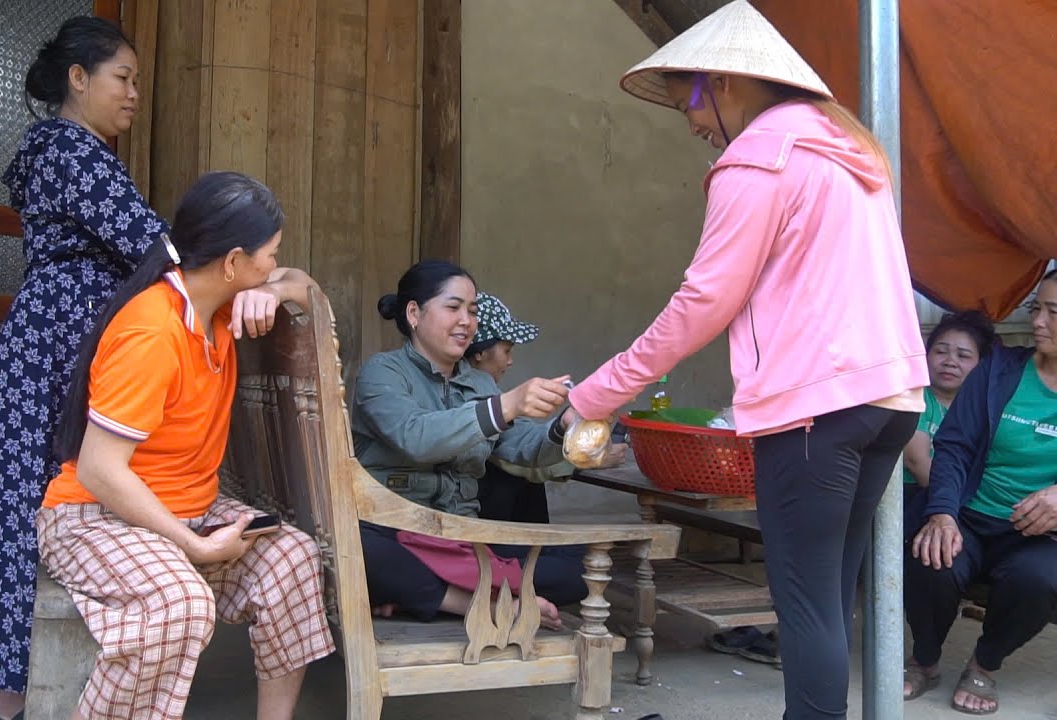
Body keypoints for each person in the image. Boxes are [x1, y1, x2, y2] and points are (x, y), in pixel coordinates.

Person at [563, 3, 928, 717]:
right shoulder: (848, 151)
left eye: (688, 107)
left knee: (806, 608)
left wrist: (597, 395)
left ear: (723, 83)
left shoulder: (758, 158)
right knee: (827, 599)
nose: (694, 127)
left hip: (813, 411)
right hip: (888, 403)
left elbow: (703, 302)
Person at [0, 17, 169, 720]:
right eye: (123, 78)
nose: (132, 95)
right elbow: (153, 249)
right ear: (78, 78)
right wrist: (245, 275)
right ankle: (5, 684)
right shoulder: (73, 152)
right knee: (26, 509)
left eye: (136, 82)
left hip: (48, 338)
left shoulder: (56, 148)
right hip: (56, 344)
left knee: (13, 506)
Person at [35, 171, 334, 720]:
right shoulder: (152, 331)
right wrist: (191, 546)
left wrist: (274, 289)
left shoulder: (216, 306)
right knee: (180, 604)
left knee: (291, 558)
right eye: (268, 256)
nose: (273, 265)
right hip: (93, 517)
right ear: (232, 262)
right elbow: (101, 471)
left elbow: (306, 285)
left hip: (183, 510)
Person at [351, 261, 586, 629]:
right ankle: (473, 601)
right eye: (453, 307)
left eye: (472, 311)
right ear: (414, 313)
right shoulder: (382, 373)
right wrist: (506, 405)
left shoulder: (480, 385)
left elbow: (519, 445)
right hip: (397, 534)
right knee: (359, 550)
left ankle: (416, 595)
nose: (466, 321)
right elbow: (416, 437)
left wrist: (563, 429)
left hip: (464, 540)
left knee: (581, 567)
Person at [903, 269, 1057, 714]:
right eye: (1036, 309)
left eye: (1053, 312)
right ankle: (925, 660)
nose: (1038, 322)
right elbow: (952, 448)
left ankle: (984, 665)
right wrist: (944, 514)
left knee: (1038, 580)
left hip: (1040, 536)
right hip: (972, 515)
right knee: (930, 556)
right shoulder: (997, 372)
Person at [466, 291, 627, 523]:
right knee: (516, 477)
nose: (510, 361)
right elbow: (515, 455)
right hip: (470, 525)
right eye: (507, 350)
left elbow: (519, 439)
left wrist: (567, 431)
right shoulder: (470, 397)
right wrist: (587, 458)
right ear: (480, 352)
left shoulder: (483, 390)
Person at [901, 311, 996, 497]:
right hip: (916, 496)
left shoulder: (985, 407)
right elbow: (917, 462)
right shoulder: (915, 397)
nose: (950, 362)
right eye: (941, 352)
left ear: (982, 365)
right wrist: (952, 505)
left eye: (963, 356)